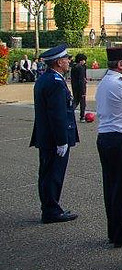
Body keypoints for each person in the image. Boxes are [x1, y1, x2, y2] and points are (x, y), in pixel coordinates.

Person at [31, 44, 79, 223]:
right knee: (54, 174)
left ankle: (49, 207)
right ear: (59, 62)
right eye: (66, 59)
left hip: (45, 136)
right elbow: (57, 115)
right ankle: (52, 210)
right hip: (54, 138)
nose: (68, 62)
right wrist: (61, 140)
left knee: (46, 173)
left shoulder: (46, 79)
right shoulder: (56, 83)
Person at [96, 46, 122, 247]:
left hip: (106, 137)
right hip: (121, 137)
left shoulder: (106, 81)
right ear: (121, 65)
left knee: (112, 187)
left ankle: (115, 230)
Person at [70, 53, 88, 120]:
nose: (84, 62)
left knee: (76, 100)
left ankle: (69, 113)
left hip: (74, 86)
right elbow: (81, 80)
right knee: (82, 102)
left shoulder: (74, 67)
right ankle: (82, 116)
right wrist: (83, 91)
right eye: (84, 60)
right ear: (81, 60)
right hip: (80, 87)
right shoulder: (80, 67)